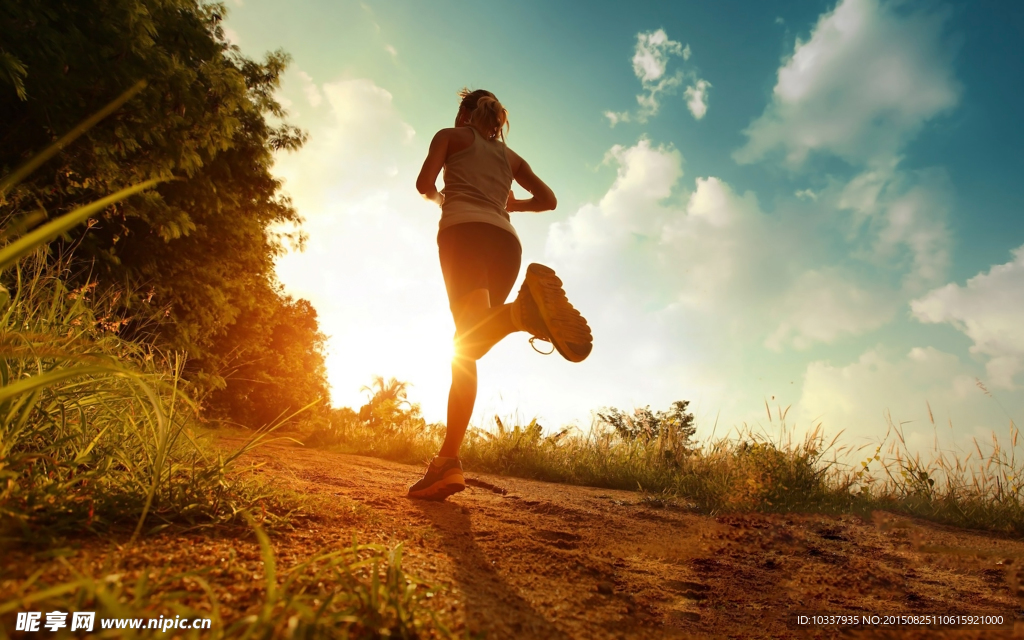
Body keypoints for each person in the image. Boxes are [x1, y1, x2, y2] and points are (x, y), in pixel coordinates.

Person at [408, 88, 592, 500]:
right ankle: (448, 462)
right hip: (506, 244)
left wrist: (442, 199)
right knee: (468, 345)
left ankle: (519, 314)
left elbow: (423, 183)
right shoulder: (511, 158)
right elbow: (549, 200)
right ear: (495, 118)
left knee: (468, 340)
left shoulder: (450, 136)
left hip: (464, 234)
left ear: (463, 113)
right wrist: (513, 206)